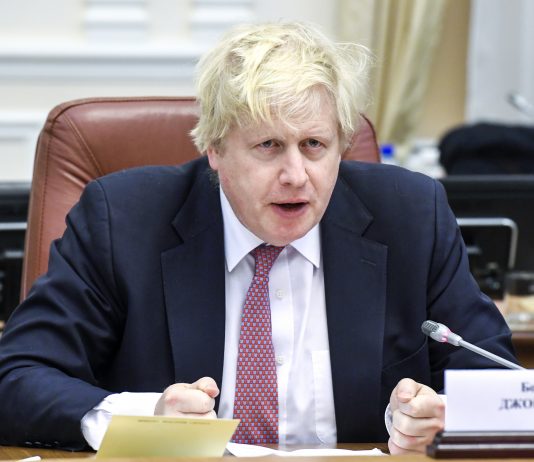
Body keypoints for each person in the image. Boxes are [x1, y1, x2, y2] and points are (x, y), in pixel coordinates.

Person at [0, 21, 517, 455]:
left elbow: (501, 388)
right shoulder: (124, 220)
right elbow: (17, 378)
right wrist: (146, 417)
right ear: (215, 148)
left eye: (314, 145)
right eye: (269, 145)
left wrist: (442, 420)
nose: (296, 175)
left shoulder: (411, 216)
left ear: (340, 145)